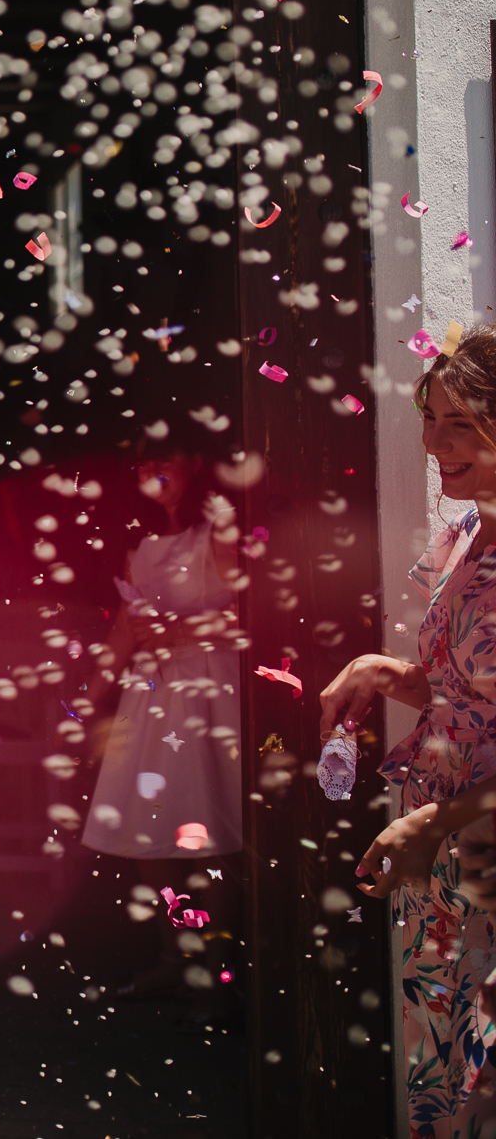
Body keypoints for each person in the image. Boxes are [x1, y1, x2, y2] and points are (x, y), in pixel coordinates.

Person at [320, 325, 496, 1138]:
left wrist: (440, 820)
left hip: (476, 845)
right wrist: (389, 673)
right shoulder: (463, 534)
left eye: (460, 421)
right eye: (430, 416)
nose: (435, 443)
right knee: (441, 1073)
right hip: (442, 857)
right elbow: (469, 688)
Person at [79, 425, 243, 1009]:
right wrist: (87, 698)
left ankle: (219, 969)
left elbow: (250, 613)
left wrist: (178, 630)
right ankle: (175, 958)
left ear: (194, 461)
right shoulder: (143, 545)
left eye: (166, 455)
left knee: (205, 828)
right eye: (144, 459)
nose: (154, 467)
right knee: (149, 827)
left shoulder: (216, 531)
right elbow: (123, 630)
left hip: (206, 686)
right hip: (151, 691)